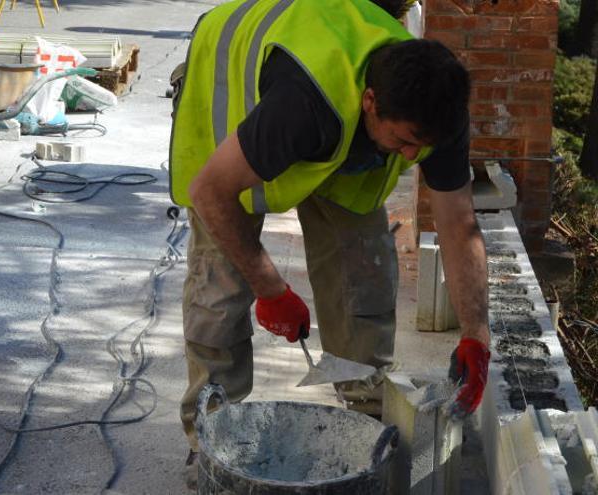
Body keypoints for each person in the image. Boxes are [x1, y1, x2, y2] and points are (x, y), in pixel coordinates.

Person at [168, 0, 491, 488]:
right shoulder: (304, 103)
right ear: (369, 101)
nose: (411, 157)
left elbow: (458, 221)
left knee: (363, 281)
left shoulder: (436, 109)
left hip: (330, 132)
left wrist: (476, 335)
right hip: (238, 99)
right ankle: (214, 444)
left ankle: (366, 424)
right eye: (403, 141)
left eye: (419, 148)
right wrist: (271, 288)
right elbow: (211, 192)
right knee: (220, 293)